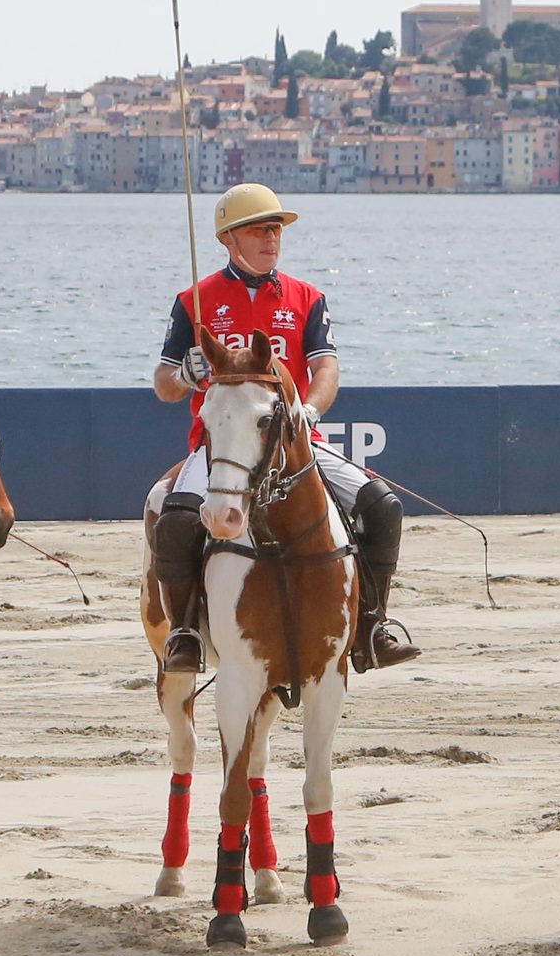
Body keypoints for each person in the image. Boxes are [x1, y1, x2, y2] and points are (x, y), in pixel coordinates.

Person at [149, 183, 420, 677]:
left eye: (276, 229)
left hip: (295, 444)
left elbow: (327, 370)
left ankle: (372, 627)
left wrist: (309, 413)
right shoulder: (194, 301)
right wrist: (185, 374)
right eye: (259, 229)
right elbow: (163, 384)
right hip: (221, 449)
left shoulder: (307, 298)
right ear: (229, 238)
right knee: (174, 524)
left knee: (383, 507)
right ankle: (186, 632)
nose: (272, 238)